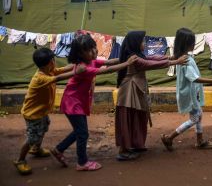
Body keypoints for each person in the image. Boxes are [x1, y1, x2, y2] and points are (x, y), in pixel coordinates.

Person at [50, 34, 137, 171]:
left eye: (94, 47)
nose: (95, 51)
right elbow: (107, 70)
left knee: (79, 131)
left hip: (76, 102)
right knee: (83, 133)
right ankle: (82, 162)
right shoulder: (83, 68)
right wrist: (127, 63)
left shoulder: (90, 61)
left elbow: (109, 62)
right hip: (73, 103)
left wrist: (124, 58)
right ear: (80, 54)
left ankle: (59, 149)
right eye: (90, 50)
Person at [115, 31, 188, 161]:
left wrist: (170, 58)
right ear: (135, 43)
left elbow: (151, 59)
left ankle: (136, 144)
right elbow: (149, 64)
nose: (145, 43)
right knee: (129, 118)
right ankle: (124, 150)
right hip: (129, 91)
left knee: (138, 117)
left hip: (136, 89)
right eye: (143, 41)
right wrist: (175, 61)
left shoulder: (136, 54)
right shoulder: (134, 57)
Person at [13, 48, 85, 175]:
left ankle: (36, 149)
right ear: (51, 61)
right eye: (54, 59)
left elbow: (62, 70)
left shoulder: (49, 71)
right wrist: (76, 72)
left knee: (44, 128)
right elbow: (59, 77)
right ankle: (20, 160)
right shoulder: (40, 78)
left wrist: (75, 65)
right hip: (33, 115)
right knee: (32, 138)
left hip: (41, 112)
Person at [161, 28, 212, 151]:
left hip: (189, 92)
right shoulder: (186, 60)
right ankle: (170, 137)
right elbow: (194, 78)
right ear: (187, 44)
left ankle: (200, 141)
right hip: (190, 94)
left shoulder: (181, 57)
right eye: (192, 42)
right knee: (195, 118)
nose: (194, 44)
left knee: (198, 115)